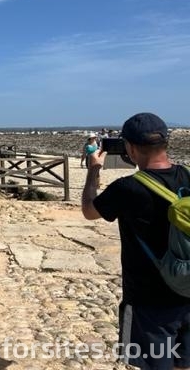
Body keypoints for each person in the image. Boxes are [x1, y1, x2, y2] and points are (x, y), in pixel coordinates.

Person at [81, 112, 190, 370]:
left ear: (129, 148)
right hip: (188, 291)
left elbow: (89, 210)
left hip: (148, 301)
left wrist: (94, 169)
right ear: (166, 142)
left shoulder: (127, 188)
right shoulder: (187, 176)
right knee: (183, 363)